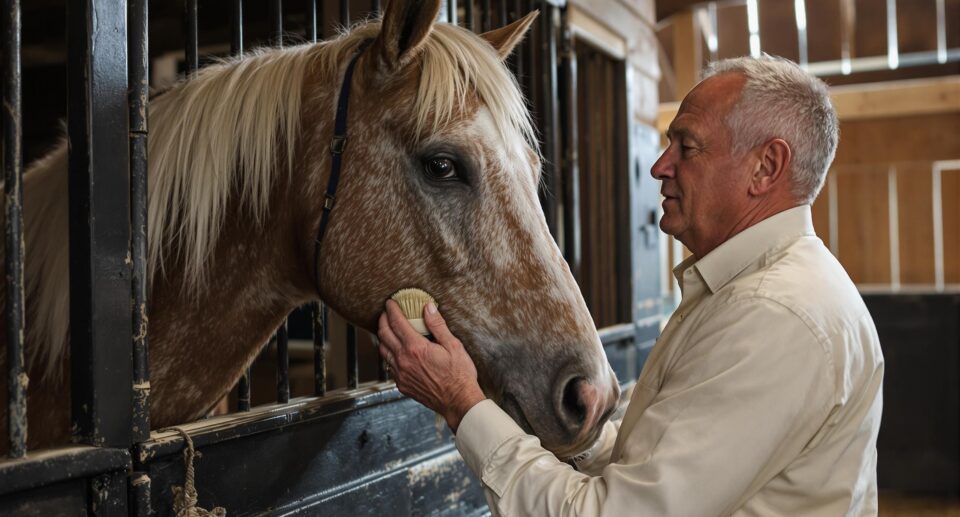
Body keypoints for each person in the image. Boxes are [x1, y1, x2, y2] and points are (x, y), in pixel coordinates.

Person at [377, 55, 884, 516]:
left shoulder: (772, 315)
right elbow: (665, 466)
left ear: (765, 166)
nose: (659, 167)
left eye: (687, 147)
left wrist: (462, 403)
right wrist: (583, 438)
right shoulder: (756, 291)